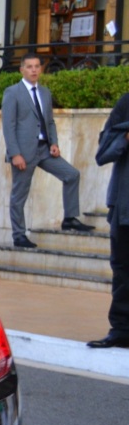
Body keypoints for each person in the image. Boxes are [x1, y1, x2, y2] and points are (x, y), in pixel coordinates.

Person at [2, 53, 93, 248]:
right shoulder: (12, 92)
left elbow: (49, 121)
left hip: (44, 149)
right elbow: (8, 126)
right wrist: (15, 153)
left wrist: (54, 143)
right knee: (19, 195)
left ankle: (69, 218)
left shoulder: (45, 93)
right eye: (29, 66)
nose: (34, 70)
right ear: (22, 70)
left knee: (71, 175)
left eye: (37, 66)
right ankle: (19, 235)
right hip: (23, 153)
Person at [88, 92, 129, 348]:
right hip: (125, 203)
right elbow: (102, 152)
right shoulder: (125, 104)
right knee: (123, 269)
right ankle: (122, 329)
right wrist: (125, 137)